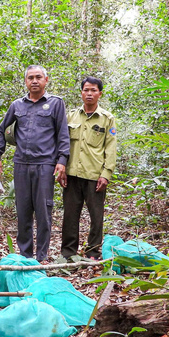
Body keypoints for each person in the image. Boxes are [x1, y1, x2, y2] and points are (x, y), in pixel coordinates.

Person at [0, 65, 69, 262]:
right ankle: (26, 256)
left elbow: (62, 133)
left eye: (38, 77)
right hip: (21, 164)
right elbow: (2, 130)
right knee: (23, 211)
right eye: (30, 78)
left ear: (46, 79)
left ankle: (41, 257)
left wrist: (62, 160)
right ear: (25, 81)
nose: (34, 81)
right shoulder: (17, 105)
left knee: (44, 211)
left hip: (45, 164)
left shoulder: (55, 104)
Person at [62, 76, 117, 260]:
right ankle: (68, 252)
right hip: (72, 173)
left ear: (100, 94)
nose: (89, 94)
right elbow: (62, 143)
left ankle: (93, 251)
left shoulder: (107, 119)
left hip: (95, 175)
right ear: (81, 93)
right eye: (86, 90)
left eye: (93, 90)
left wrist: (106, 174)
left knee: (96, 216)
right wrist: (60, 166)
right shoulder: (71, 116)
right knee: (70, 215)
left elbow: (110, 148)